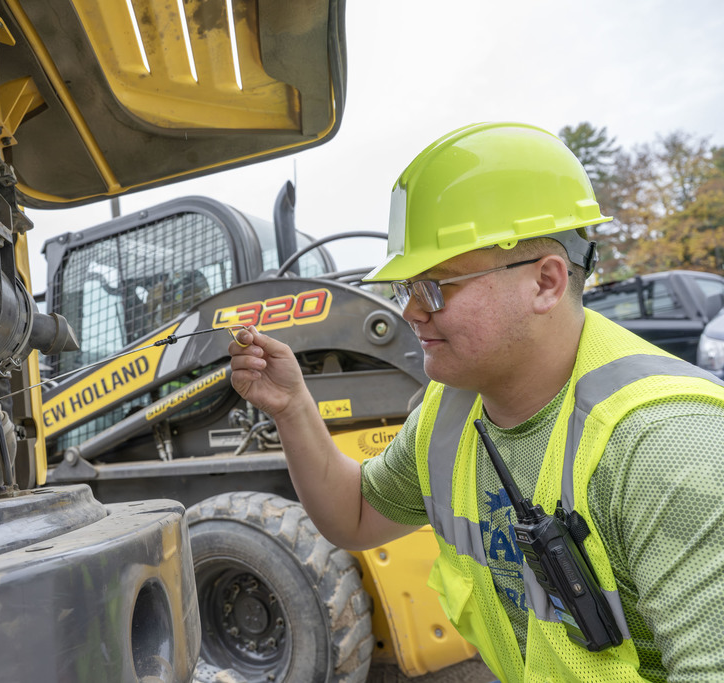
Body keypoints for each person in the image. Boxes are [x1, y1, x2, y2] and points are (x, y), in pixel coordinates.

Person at [228, 122, 724, 682]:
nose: (413, 311)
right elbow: (357, 516)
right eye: (405, 288)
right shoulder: (451, 411)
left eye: (437, 285)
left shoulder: (671, 447)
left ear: (545, 282)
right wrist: (293, 407)